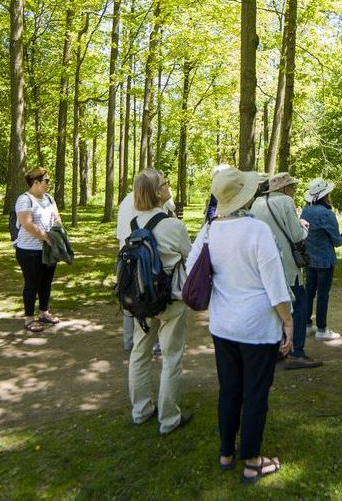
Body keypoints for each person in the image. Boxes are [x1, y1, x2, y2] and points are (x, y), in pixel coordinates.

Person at [187, 166, 293, 483]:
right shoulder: (256, 230)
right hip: (258, 327)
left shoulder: (209, 230)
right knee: (256, 393)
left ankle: (226, 453)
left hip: (223, 326)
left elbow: (192, 270)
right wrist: (288, 321)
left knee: (229, 390)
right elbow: (275, 283)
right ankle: (253, 461)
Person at [126, 169, 194, 435]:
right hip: (169, 301)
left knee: (139, 355)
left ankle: (140, 410)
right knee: (171, 357)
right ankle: (168, 418)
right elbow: (190, 256)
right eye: (165, 184)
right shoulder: (172, 225)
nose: (168, 187)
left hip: (140, 300)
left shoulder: (133, 224)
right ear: (157, 192)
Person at [252, 172, 319, 370]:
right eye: (292, 186)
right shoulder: (286, 202)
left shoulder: (257, 203)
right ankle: (296, 352)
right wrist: (304, 227)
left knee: (274, 307)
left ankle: (277, 349)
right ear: (283, 188)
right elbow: (297, 235)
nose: (294, 190)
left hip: (265, 264)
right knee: (298, 305)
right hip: (287, 264)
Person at [13, 166, 63, 332]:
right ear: (36, 182)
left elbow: (56, 217)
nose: (48, 183)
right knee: (32, 283)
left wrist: (58, 233)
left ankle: (44, 313)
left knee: (46, 283)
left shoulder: (49, 198)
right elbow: (27, 224)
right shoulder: (24, 200)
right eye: (46, 181)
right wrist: (47, 237)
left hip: (48, 249)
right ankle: (29, 319)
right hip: (29, 250)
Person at [300, 177, 342, 341]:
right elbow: (336, 241)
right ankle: (322, 329)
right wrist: (340, 238)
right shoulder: (327, 214)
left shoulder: (306, 211)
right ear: (325, 195)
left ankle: (306, 325)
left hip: (309, 258)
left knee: (309, 292)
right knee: (323, 294)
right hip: (325, 260)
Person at [116, 191, 138, 351]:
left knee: (127, 299)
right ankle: (154, 343)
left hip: (123, 253)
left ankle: (128, 340)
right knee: (146, 296)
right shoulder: (146, 199)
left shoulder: (126, 200)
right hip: (138, 254)